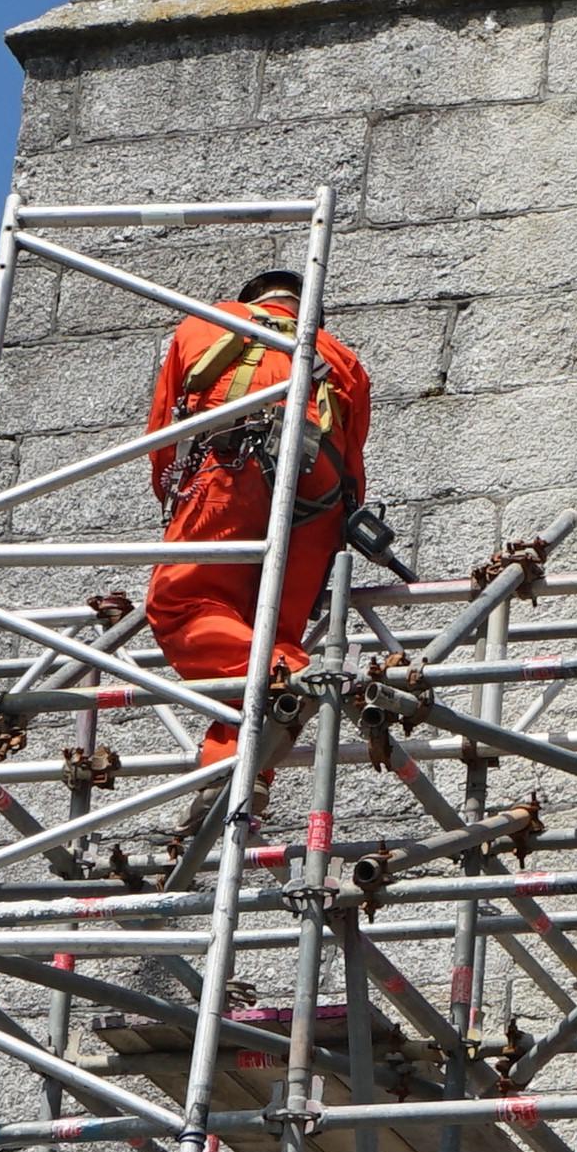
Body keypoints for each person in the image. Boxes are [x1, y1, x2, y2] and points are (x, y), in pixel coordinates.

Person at [143, 262, 373, 779]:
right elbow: (355, 459)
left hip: (232, 472)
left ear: (253, 299)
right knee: (262, 638)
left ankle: (299, 675)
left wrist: (176, 503)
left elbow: (165, 433)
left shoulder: (211, 321)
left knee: (182, 605)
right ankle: (237, 778)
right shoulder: (341, 359)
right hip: (320, 500)